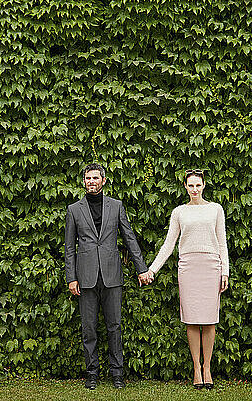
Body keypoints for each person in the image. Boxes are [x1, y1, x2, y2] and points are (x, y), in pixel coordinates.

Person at [64, 163, 151, 389]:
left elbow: (129, 238)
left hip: (112, 275)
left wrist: (141, 268)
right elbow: (69, 248)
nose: (91, 181)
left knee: (115, 326)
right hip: (85, 276)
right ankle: (91, 373)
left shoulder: (116, 206)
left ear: (103, 180)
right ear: (84, 181)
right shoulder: (74, 210)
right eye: (87, 178)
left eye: (95, 178)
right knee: (89, 328)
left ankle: (117, 374)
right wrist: (71, 278)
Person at [144, 169, 229, 389]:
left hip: (211, 267)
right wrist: (152, 269)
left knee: (210, 320)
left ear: (204, 185)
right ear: (185, 186)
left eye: (198, 185)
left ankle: (208, 367)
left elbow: (222, 243)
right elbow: (168, 244)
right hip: (188, 268)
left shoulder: (215, 209)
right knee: (191, 319)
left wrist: (225, 271)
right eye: (190, 185)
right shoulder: (179, 212)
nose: (194, 189)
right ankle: (196, 369)